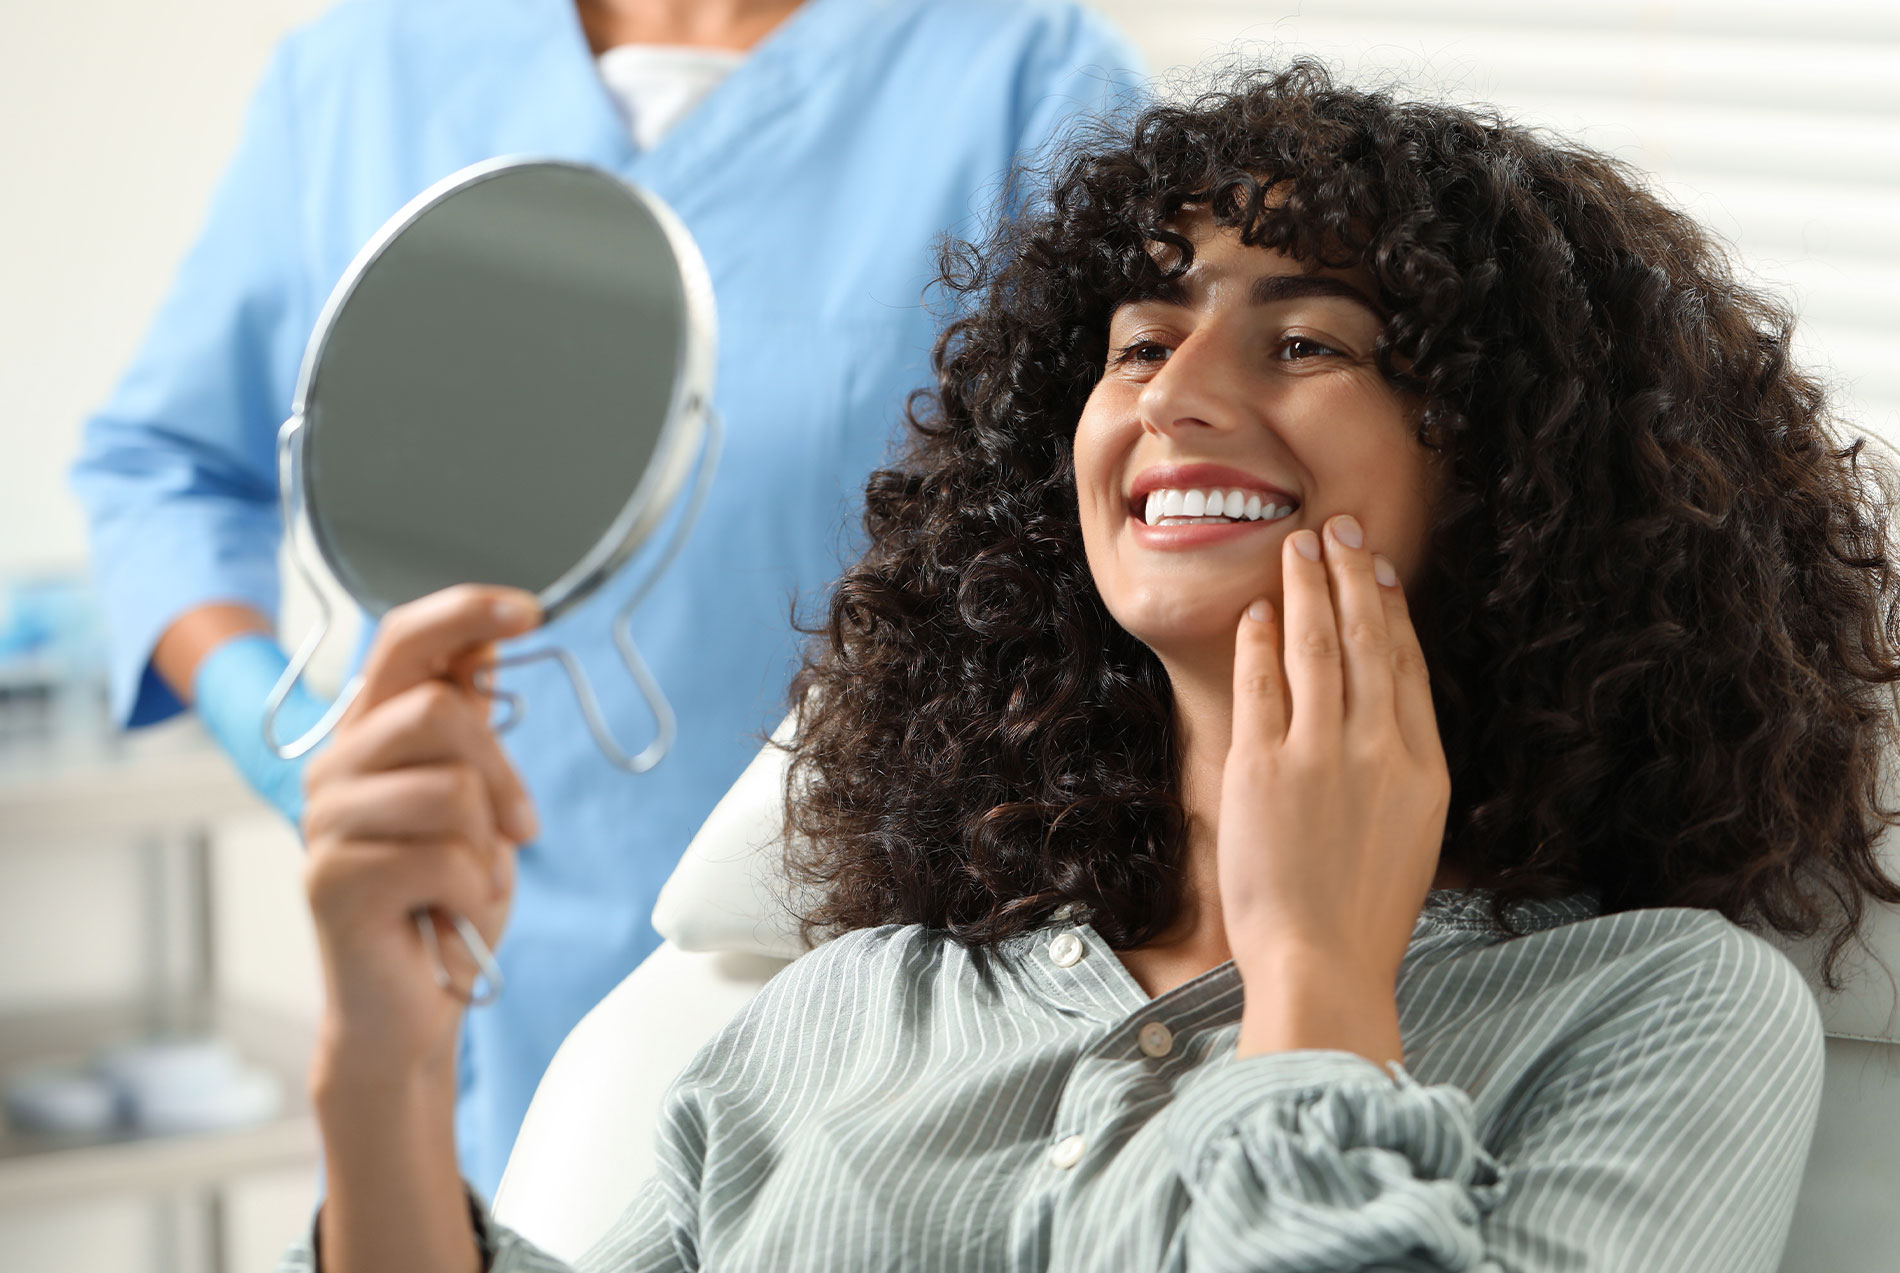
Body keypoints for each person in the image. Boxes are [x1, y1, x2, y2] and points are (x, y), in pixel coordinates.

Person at [281, 62, 1900, 1271]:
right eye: (1139, 340)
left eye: (1307, 339)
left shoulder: (1661, 1010)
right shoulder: (854, 1004)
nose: (1174, 390)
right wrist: (385, 1068)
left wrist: (1321, 983)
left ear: (1525, 471)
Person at [69, 0, 1142, 1194]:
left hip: (858, 991)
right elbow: (161, 469)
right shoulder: (360, 72)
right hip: (457, 978)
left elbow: (1131, 511)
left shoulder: (1024, 77)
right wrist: (288, 749)